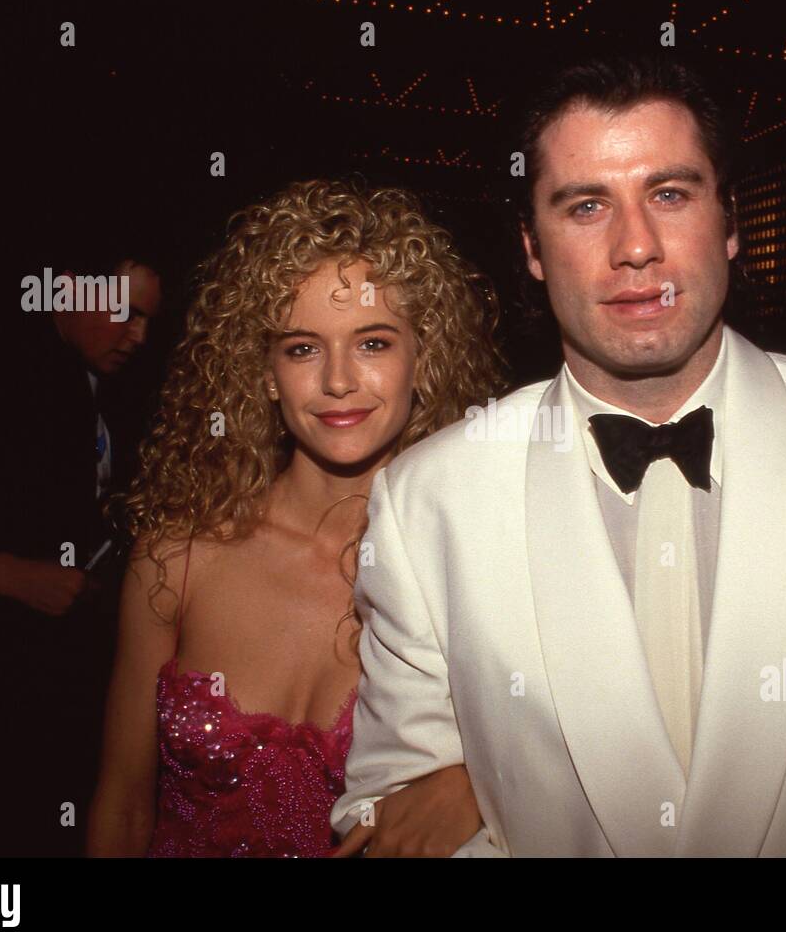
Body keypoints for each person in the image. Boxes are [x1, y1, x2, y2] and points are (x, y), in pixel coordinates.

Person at [331, 56, 786, 856]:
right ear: (532, 247)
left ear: (731, 223)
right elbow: (387, 818)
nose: (635, 247)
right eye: (586, 206)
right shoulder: (427, 501)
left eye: (670, 194)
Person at [87, 179, 507, 857]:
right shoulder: (178, 556)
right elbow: (122, 807)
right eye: (302, 347)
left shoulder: (471, 566)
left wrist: (483, 784)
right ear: (264, 371)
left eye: (373, 343)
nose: (338, 381)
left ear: (422, 358)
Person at [0, 253, 163, 856]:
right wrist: (3, 573)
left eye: (149, 319)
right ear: (66, 292)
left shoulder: (97, 384)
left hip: (50, 674)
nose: (139, 335)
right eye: (125, 312)